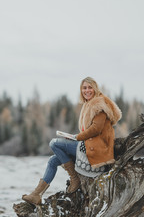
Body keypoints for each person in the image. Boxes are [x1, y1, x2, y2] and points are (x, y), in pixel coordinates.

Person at [22, 77, 122, 205]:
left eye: (90, 87)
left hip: (94, 149)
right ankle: (36, 195)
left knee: (54, 143)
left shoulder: (99, 105)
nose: (87, 90)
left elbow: (96, 129)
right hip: (87, 145)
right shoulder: (88, 104)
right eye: (84, 88)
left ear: (95, 89)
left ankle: (74, 178)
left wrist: (77, 137)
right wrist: (75, 137)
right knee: (52, 161)